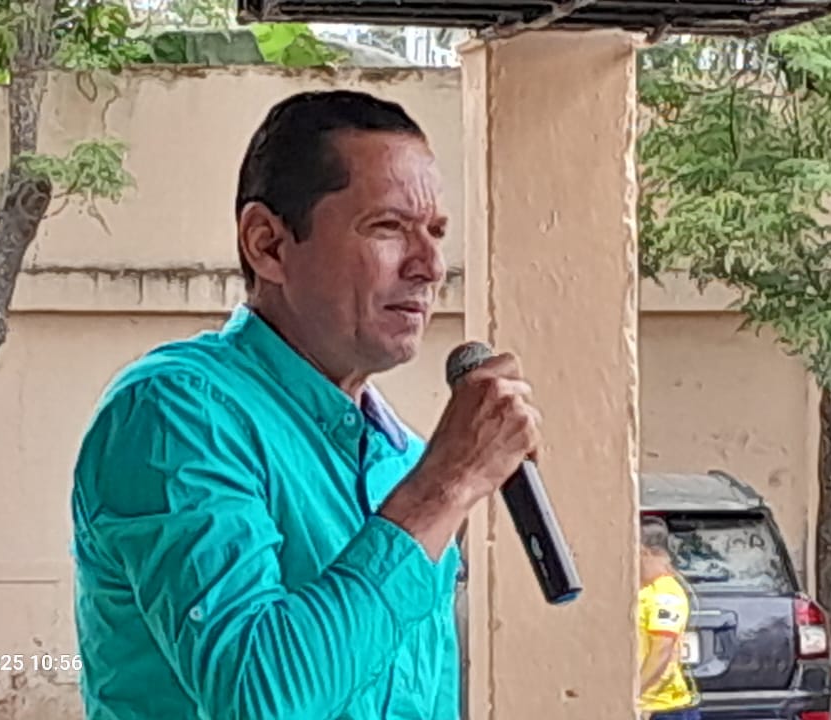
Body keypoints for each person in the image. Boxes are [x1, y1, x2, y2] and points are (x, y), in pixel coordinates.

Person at [69, 89, 543, 720]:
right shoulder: (176, 413)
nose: (430, 266)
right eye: (388, 227)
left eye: (435, 232)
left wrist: (434, 484)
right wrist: (445, 487)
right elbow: (258, 698)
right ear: (267, 244)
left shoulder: (400, 457)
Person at [636, 517, 701, 720]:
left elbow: (662, 650)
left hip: (664, 710)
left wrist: (638, 697)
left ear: (643, 552)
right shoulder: (647, 589)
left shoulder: (665, 593)